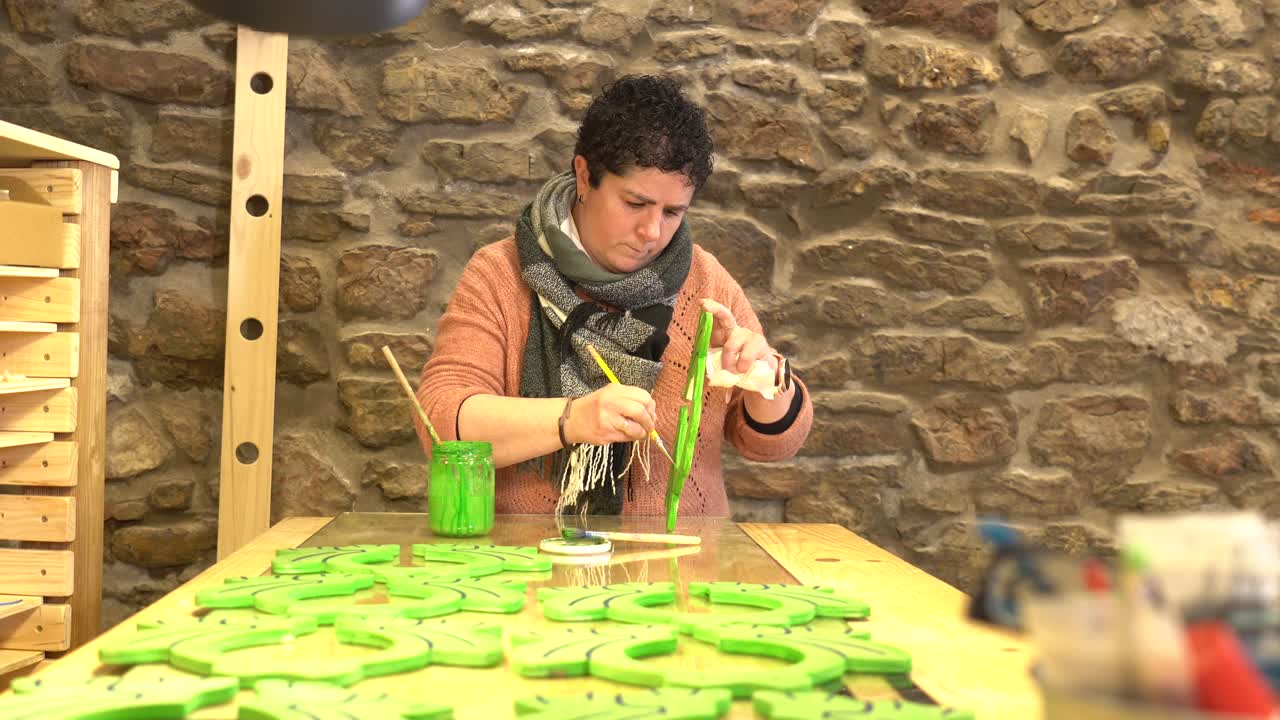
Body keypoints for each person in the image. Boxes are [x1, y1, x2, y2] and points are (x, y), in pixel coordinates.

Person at [415, 74, 812, 517]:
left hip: (679, 565)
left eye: (673, 212)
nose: (651, 231)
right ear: (585, 177)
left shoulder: (705, 281)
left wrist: (762, 378)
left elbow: (774, 443)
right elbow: (439, 421)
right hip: (529, 566)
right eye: (635, 204)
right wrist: (572, 420)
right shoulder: (501, 274)